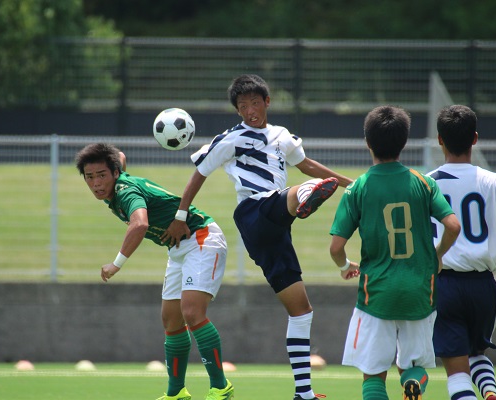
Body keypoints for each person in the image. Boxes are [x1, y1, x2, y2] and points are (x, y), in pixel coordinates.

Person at [163, 74, 353, 400]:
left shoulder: (282, 136)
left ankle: (304, 394)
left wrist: (353, 183)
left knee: (301, 309)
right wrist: (181, 215)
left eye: (254, 102)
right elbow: (199, 175)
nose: (249, 110)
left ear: (267, 102)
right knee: (284, 199)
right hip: (253, 212)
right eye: (242, 106)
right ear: (237, 111)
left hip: (276, 231)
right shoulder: (230, 139)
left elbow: (305, 163)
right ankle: (304, 198)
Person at [74, 143, 234, 400]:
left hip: (201, 237)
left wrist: (116, 264)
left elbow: (140, 224)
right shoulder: (119, 176)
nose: (96, 184)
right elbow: (121, 157)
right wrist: (110, 157)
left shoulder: (125, 191)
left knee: (192, 312)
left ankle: (220, 387)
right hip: (178, 247)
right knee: (171, 320)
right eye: (89, 177)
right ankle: (176, 393)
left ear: (115, 173)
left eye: (102, 175)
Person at [329, 105, 461, 400]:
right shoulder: (423, 182)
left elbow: (336, 247)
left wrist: (344, 265)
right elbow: (453, 225)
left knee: (373, 374)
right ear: (404, 142)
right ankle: (413, 381)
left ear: (367, 142)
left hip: (376, 293)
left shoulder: (357, 188)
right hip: (419, 290)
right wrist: (437, 255)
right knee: (414, 366)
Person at [428, 105, 496, 400]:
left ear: (439, 140)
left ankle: (476, 392)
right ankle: (488, 389)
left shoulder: (426, 182)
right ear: (474, 139)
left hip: (444, 283)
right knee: (477, 350)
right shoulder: (493, 181)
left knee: (456, 370)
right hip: (485, 285)